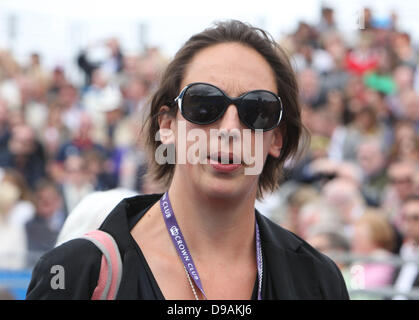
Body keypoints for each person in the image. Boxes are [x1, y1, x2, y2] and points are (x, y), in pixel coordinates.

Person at [26, 20, 349, 300]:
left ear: (276, 139)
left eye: (257, 110)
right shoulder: (75, 273)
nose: (229, 129)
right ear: (167, 125)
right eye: (204, 104)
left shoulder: (317, 279)